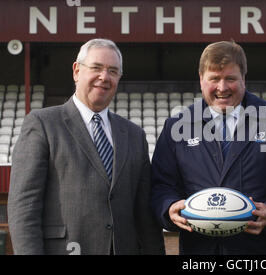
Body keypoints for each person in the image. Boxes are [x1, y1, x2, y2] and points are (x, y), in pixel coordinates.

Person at [7, 38, 165, 255]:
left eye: (113, 71)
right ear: (76, 71)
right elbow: (23, 207)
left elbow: (145, 215)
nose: (104, 77)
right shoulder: (42, 124)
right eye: (97, 68)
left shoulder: (134, 135)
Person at [150, 41, 266, 254]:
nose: (222, 88)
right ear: (201, 79)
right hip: (200, 253)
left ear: (243, 79)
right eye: (214, 79)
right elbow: (161, 185)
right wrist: (169, 207)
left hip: (263, 250)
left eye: (230, 78)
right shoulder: (176, 126)